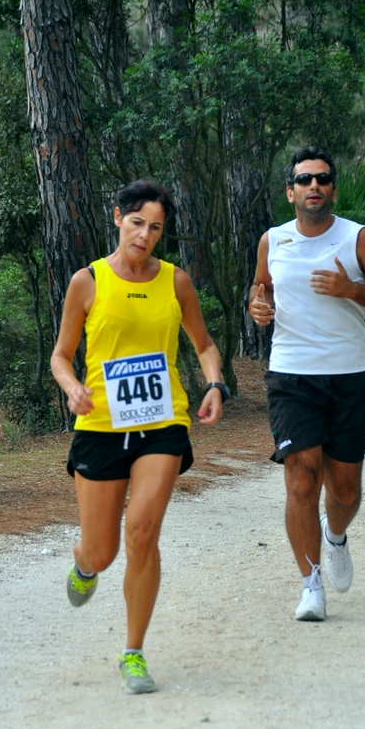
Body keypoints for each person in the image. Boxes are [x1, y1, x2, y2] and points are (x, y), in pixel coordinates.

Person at [51, 179, 227, 692]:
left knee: (143, 534)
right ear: (117, 219)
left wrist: (214, 382)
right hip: (102, 425)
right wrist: (71, 386)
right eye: (136, 223)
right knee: (102, 551)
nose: (145, 235)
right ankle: (84, 564)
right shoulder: (88, 282)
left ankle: (133, 652)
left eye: (155, 228)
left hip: (162, 422)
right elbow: (62, 355)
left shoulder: (176, 282)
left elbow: (205, 344)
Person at [248, 145, 365, 622]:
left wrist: (352, 290)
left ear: (333, 188)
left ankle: (336, 536)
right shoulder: (272, 240)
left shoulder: (357, 240)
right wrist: (258, 307)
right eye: (305, 179)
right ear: (290, 191)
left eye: (323, 178)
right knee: (302, 475)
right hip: (292, 373)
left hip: (350, 374)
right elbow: (261, 289)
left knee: (346, 490)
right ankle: (310, 583)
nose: (315, 185)